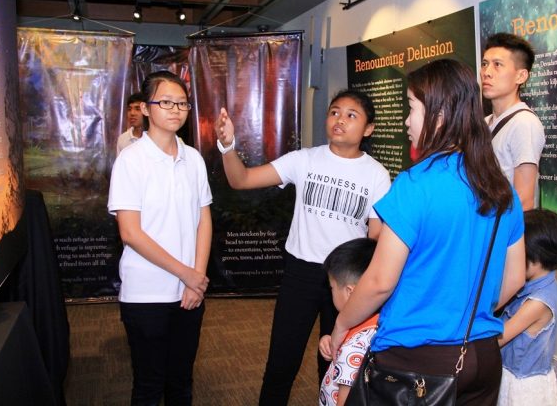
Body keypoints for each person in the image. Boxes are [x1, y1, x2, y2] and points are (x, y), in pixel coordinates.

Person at [330, 59, 526, 405]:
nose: (407, 120)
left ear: (439, 115)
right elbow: (513, 280)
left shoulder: (414, 185)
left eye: (412, 108)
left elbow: (379, 282)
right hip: (481, 357)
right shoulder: (502, 189)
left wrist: (342, 324)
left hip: (415, 363)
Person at [214, 89, 391, 406]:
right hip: (301, 275)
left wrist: (364, 287)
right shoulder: (304, 160)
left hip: (347, 280)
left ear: (368, 129)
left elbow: (374, 240)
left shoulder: (377, 175)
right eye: (335, 112)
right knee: (281, 361)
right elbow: (241, 180)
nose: (339, 120)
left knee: (336, 362)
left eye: (351, 115)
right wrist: (227, 146)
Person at [108, 71, 212, 405]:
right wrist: (187, 274)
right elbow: (130, 233)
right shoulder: (131, 161)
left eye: (182, 103)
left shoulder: (193, 158)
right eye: (166, 102)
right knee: (149, 385)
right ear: (147, 108)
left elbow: (204, 220)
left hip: (189, 291)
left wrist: (195, 280)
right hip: (146, 293)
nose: (175, 109)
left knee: (181, 381)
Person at [497, 209, 557, 406]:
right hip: (510, 375)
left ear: (537, 258)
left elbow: (500, 338)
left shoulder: (539, 302)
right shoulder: (528, 286)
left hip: (523, 388)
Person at [481, 33, 545, 210]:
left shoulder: (524, 123)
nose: (487, 72)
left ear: (521, 76)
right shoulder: (486, 123)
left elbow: (524, 202)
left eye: (497, 65)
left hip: (507, 234)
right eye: (485, 64)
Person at [318, 238, 378, 406]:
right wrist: (330, 341)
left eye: (332, 287)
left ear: (350, 292)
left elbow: (347, 400)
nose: (330, 292)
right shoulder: (376, 323)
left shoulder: (354, 348)